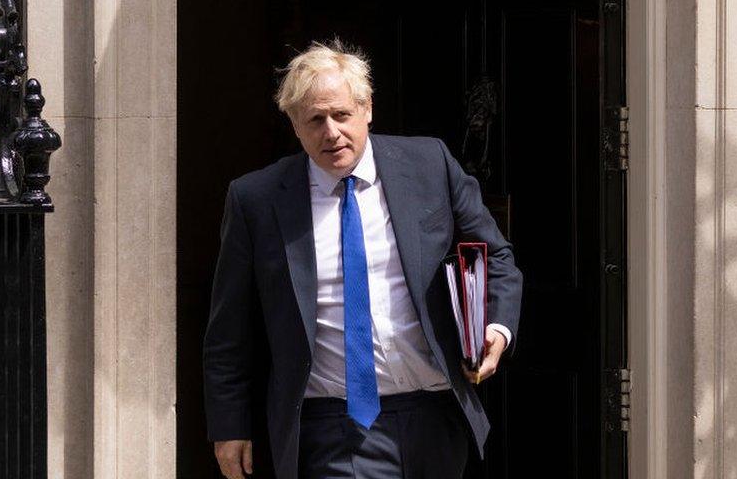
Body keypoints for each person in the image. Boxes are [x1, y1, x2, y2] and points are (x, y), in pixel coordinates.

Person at [203, 40, 524, 479]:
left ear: (367, 108)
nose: (331, 132)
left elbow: (497, 255)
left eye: (341, 115)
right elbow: (229, 328)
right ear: (295, 127)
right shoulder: (257, 200)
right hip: (336, 427)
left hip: (436, 415)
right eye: (315, 120)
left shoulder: (428, 164)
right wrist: (229, 426)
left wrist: (497, 329)